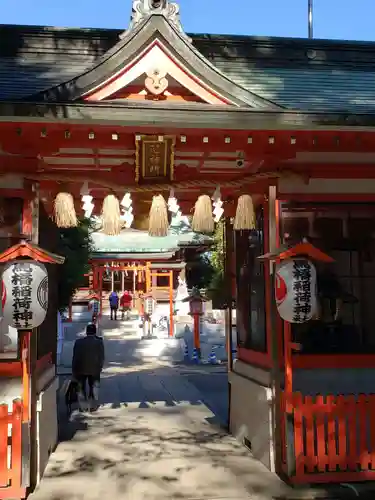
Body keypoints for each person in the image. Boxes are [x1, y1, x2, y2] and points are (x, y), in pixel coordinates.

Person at [72, 323, 104, 412]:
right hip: (95, 369)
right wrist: (100, 367)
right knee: (94, 387)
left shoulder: (78, 342)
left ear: (86, 332)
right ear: (95, 332)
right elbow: (101, 356)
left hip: (80, 368)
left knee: (81, 388)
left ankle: (83, 407)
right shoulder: (99, 342)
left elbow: (75, 357)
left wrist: (74, 370)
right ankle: (93, 405)